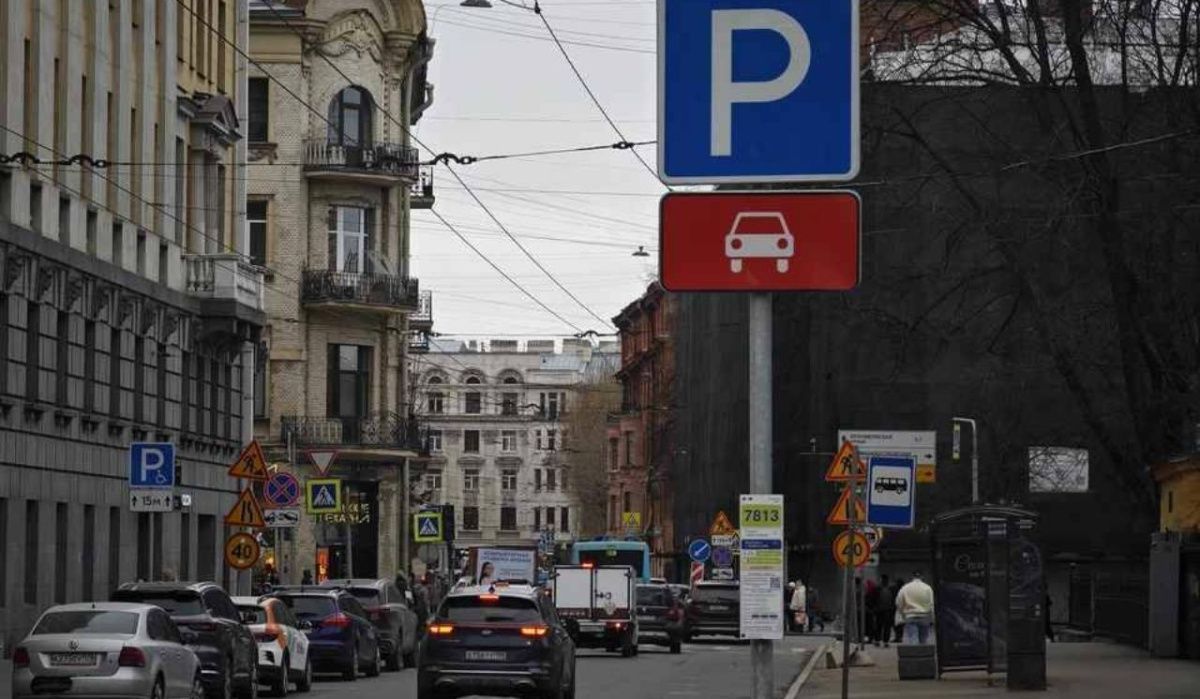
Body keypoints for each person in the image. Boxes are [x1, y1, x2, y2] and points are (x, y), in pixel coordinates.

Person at [896, 571, 935, 644]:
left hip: (910, 616)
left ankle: (915, 654)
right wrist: (932, 618)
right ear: (922, 577)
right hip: (924, 616)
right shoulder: (927, 588)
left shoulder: (905, 587)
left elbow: (898, 602)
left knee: (913, 638)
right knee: (923, 639)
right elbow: (932, 603)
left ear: (912, 577)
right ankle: (923, 654)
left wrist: (902, 614)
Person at [875, 574, 895, 648]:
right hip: (888, 610)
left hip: (880, 610)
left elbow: (874, 599)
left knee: (879, 626)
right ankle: (885, 641)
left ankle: (878, 640)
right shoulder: (891, 588)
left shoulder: (878, 588)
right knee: (886, 626)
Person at [863, 577, 880, 643]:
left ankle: (871, 638)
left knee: (870, 626)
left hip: (869, 612)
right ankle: (874, 638)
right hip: (872, 611)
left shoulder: (868, 594)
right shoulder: (874, 592)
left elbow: (868, 602)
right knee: (872, 626)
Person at [889, 577, 904, 643]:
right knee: (900, 624)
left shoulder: (894, 589)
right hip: (902, 608)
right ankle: (899, 637)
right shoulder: (903, 589)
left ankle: (898, 637)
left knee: (896, 624)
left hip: (895, 608)